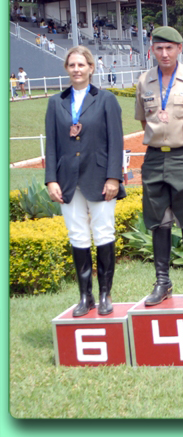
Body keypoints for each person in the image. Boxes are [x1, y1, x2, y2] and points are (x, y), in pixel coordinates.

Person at [45, 45, 126, 317]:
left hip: (100, 177)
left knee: (104, 233)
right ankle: (85, 296)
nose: (77, 70)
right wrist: (50, 180)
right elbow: (52, 144)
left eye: (82, 65)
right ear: (66, 69)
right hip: (67, 180)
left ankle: (105, 294)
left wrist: (114, 177)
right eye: (72, 65)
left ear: (91, 68)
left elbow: (116, 141)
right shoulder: (55, 102)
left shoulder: (106, 100)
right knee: (77, 236)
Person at [135, 26, 183, 306]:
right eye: (159, 48)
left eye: (170, 48)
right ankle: (162, 281)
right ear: (152, 50)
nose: (164, 53)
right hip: (154, 157)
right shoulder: (144, 81)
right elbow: (144, 120)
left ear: (179, 49)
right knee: (158, 221)